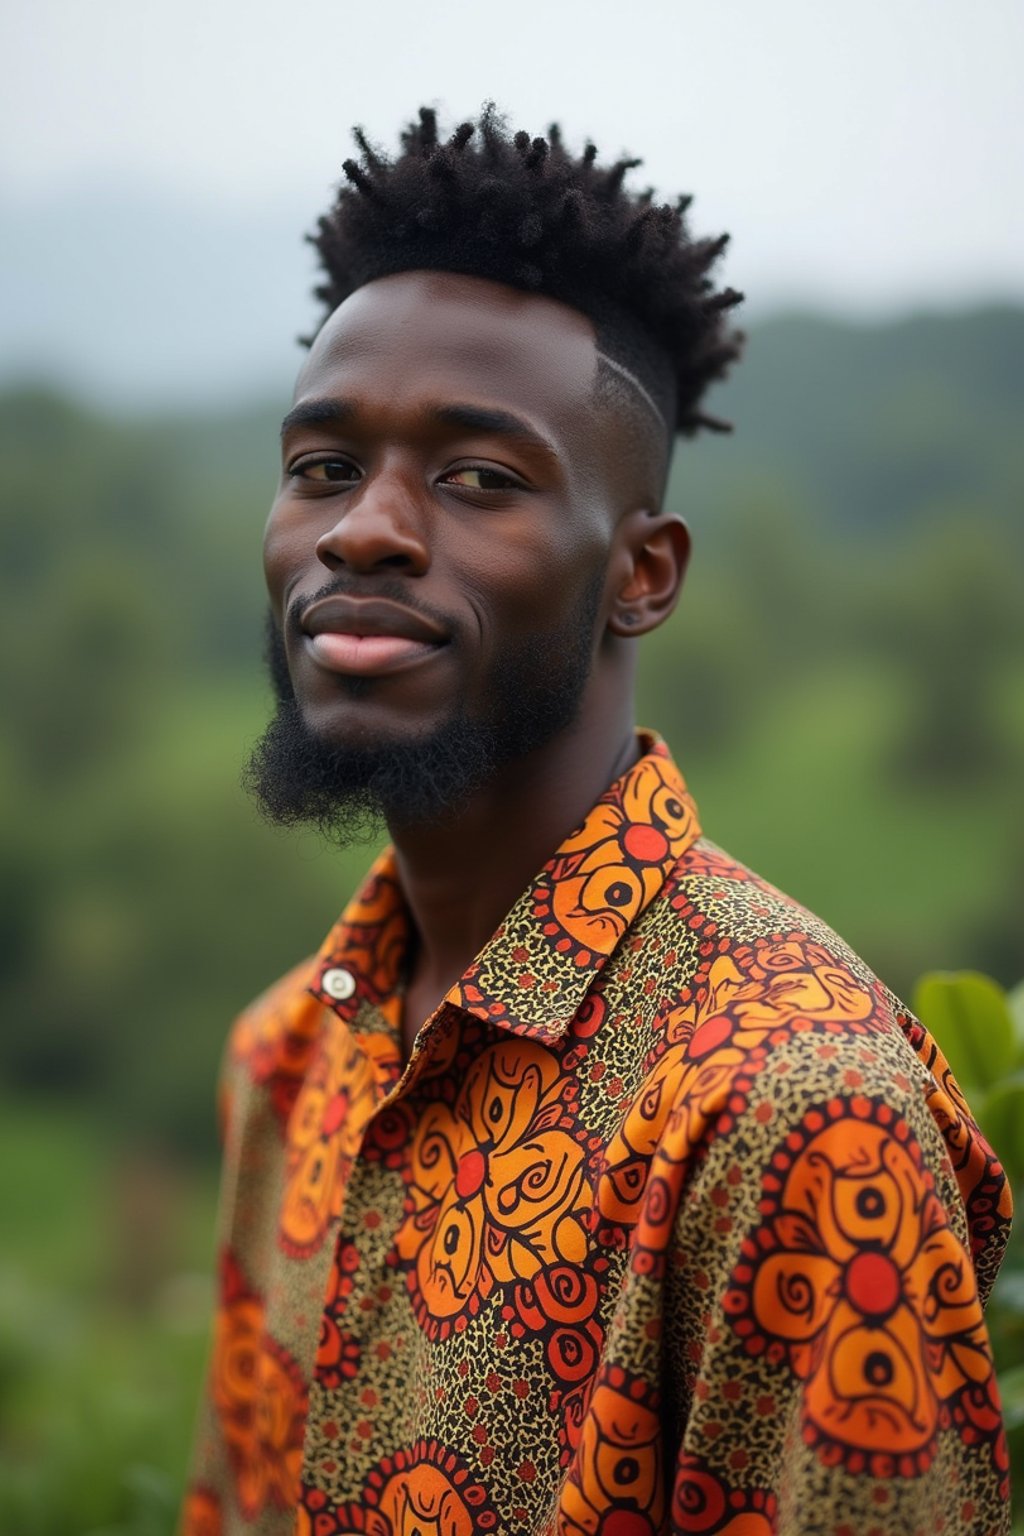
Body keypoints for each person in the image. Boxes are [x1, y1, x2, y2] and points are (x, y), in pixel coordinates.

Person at [182, 106, 1012, 1536]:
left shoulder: (792, 1110)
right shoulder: (289, 1058)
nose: (360, 530)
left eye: (479, 478)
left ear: (642, 573)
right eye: (322, 467)